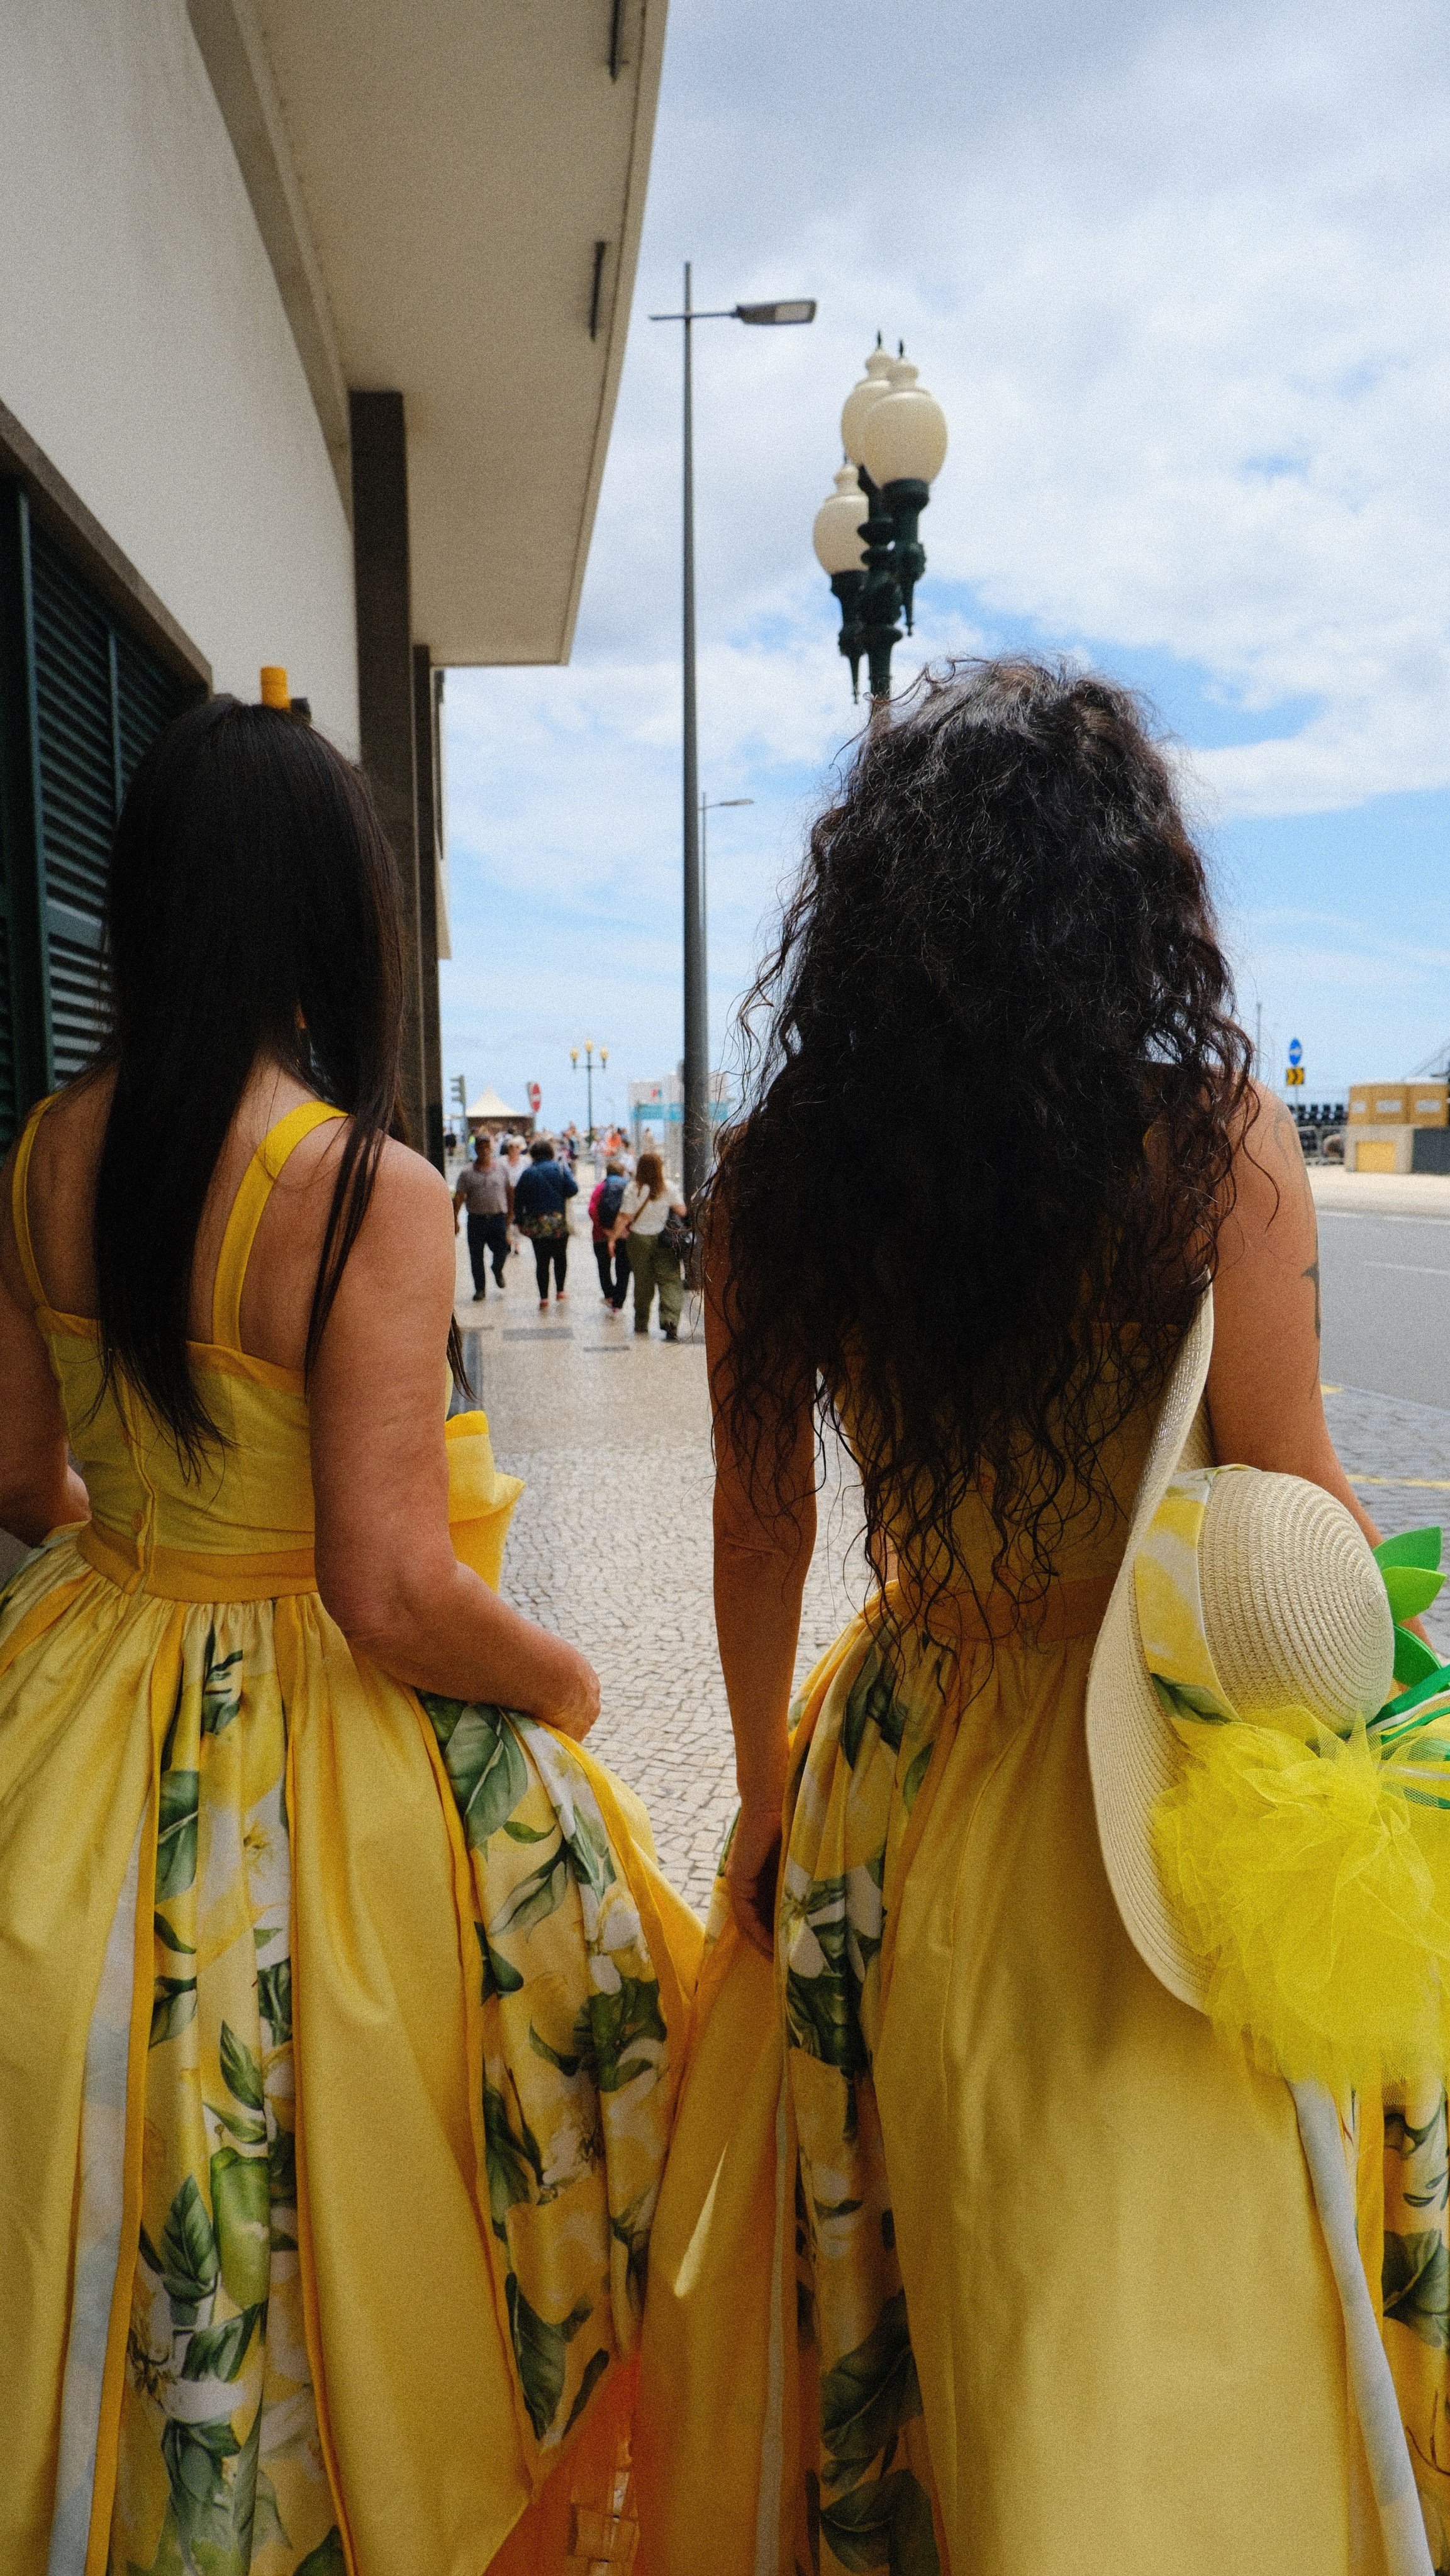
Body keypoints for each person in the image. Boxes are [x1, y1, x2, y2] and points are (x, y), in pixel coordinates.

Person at [635, 658, 1439, 2575]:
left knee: (947, 2248)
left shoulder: (783, 1182)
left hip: (907, 1769)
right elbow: (1291, 1485)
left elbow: (762, 1528)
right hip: (1150, 1771)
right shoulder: (1212, 1152)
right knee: (1163, 2250)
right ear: (1126, 901)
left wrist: (759, 1796)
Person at [0, 697, 700, 2576]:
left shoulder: (44, 1153)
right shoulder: (355, 1189)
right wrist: (564, 1679)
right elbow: (386, 1588)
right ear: (324, 920)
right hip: (310, 1740)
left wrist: (141, 1563)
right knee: (355, 2171)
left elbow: (17, 1472)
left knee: (103, 2158)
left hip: (72, 1693)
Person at [611, 1150, 686, 1341]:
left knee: (643, 1282)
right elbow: (682, 1211)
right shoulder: (669, 1187)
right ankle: (670, 1321)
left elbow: (625, 1216)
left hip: (639, 1240)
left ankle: (641, 1323)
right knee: (670, 1281)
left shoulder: (633, 1188)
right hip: (665, 1240)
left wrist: (612, 1239)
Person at [512, 1135, 578, 1308]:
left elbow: (518, 1200)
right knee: (560, 1257)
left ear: (533, 1154)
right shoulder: (560, 1169)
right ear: (550, 1153)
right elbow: (573, 1189)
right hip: (558, 1222)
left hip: (536, 1224)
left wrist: (519, 1221)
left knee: (541, 1261)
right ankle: (561, 1291)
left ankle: (544, 1298)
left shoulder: (527, 1173)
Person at [453, 1128, 510, 1298]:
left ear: (492, 1148)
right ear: (476, 1149)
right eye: (480, 1146)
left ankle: (497, 1269)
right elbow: (459, 1198)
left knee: (503, 1250)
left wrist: (512, 1214)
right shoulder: (467, 1173)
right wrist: (455, 1220)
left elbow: (510, 1192)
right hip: (476, 1220)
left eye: (487, 1146)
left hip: (498, 1218)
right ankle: (480, 1289)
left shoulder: (501, 1169)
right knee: (476, 1256)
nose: (484, 1149)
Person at [589, 1157, 630, 1312]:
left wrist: (604, 1229)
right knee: (623, 1269)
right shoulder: (628, 1187)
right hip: (624, 1235)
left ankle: (609, 1296)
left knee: (604, 1267)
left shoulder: (600, 1188)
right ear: (622, 1173)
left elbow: (592, 1210)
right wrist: (624, 1229)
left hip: (600, 1235)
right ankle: (618, 1304)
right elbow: (630, 1211)